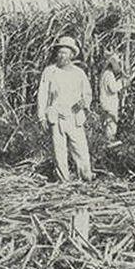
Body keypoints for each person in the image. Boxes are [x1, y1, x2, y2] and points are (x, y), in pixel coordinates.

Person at [37, 35, 93, 182]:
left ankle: (86, 177)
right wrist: (41, 116)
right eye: (59, 52)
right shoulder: (49, 72)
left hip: (74, 117)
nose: (61, 56)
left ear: (71, 55)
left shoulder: (79, 73)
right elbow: (42, 95)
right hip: (56, 117)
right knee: (59, 151)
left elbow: (87, 94)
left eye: (65, 53)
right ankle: (64, 180)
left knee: (81, 150)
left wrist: (83, 103)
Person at [97, 53, 125, 144]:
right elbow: (113, 88)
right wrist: (122, 83)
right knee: (111, 121)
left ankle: (107, 140)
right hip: (109, 102)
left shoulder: (105, 74)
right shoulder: (109, 74)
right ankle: (110, 140)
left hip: (106, 101)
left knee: (108, 121)